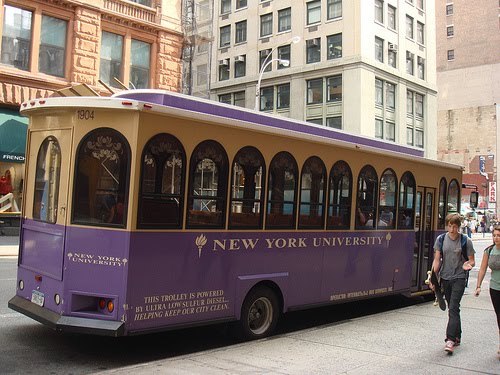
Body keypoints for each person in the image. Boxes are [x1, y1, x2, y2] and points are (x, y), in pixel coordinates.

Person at [430, 213, 475, 353]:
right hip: (445, 277)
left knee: (454, 307)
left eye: (454, 227)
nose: (452, 230)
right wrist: (433, 277)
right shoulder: (441, 239)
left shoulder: (465, 241)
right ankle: (458, 336)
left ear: (459, 226)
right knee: (452, 308)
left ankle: (450, 340)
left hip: (459, 278)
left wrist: (469, 264)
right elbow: (437, 260)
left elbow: (472, 260)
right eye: (449, 226)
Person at [474, 224, 500, 358]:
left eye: (499, 235)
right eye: (494, 235)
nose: (496, 238)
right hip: (494, 288)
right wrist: (478, 285)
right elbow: (483, 269)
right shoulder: (489, 251)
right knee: (499, 317)